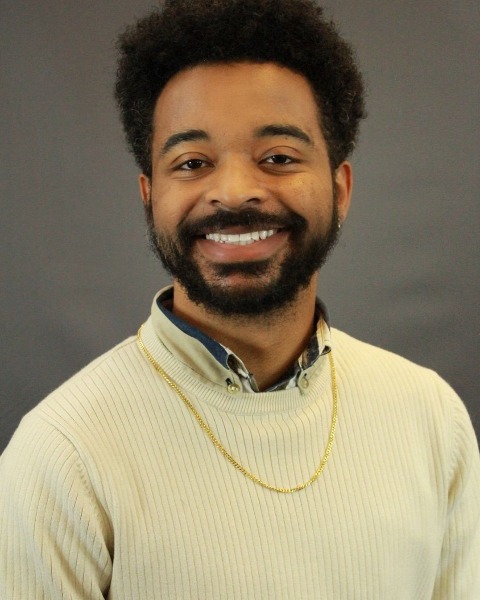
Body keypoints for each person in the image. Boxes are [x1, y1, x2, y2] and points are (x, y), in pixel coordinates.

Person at [1, 0, 479, 597]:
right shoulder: (61, 456)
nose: (232, 192)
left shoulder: (431, 418)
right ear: (149, 198)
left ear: (340, 189)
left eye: (278, 158)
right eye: (192, 162)